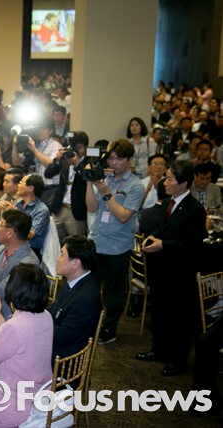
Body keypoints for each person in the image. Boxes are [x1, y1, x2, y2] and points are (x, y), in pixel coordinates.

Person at [137, 160, 207, 376]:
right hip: (160, 269)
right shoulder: (167, 202)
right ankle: (159, 349)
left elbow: (192, 243)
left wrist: (163, 244)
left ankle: (178, 360)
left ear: (183, 183)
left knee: (179, 318)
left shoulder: (195, 209)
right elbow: (161, 229)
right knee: (160, 312)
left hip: (180, 271)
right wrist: (152, 238)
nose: (164, 182)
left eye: (169, 179)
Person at [0, 264, 53, 427]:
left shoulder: (14, 327)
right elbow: (13, 343)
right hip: (40, 399)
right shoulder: (46, 316)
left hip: (10, 407)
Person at [86, 139, 144, 345]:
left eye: (119, 159)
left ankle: (109, 330)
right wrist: (89, 181)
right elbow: (92, 208)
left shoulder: (136, 186)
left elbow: (123, 216)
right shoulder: (105, 178)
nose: (114, 162)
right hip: (96, 242)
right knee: (90, 289)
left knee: (113, 293)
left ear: (129, 160)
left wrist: (105, 192)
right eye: (111, 158)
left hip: (117, 247)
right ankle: (90, 326)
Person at [48, 235, 102, 359]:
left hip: (63, 359)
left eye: (62, 255)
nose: (58, 259)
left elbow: (64, 337)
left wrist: (38, 322)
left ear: (75, 263)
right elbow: (54, 310)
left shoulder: (86, 298)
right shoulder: (71, 282)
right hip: (55, 346)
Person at [44, 131, 90, 241]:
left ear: (85, 147)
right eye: (73, 148)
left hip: (76, 210)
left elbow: (87, 180)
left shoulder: (89, 161)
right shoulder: (66, 159)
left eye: (79, 148)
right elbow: (48, 174)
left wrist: (77, 164)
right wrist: (57, 159)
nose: (76, 151)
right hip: (59, 207)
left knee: (77, 243)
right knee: (51, 241)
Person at [13, 174, 50, 258]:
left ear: (30, 188)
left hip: (30, 252)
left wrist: (14, 215)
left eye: (21, 182)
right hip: (13, 246)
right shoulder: (18, 204)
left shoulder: (41, 210)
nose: (18, 185)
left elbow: (29, 235)